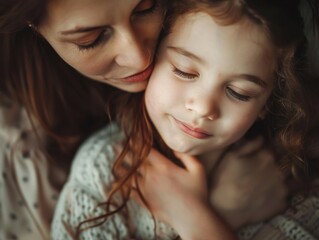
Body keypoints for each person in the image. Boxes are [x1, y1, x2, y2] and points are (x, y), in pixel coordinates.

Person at [0, 0, 289, 239]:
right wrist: (209, 219)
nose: (140, 59)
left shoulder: (287, 170)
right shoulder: (93, 170)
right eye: (90, 39)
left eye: (146, 8)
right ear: (35, 26)